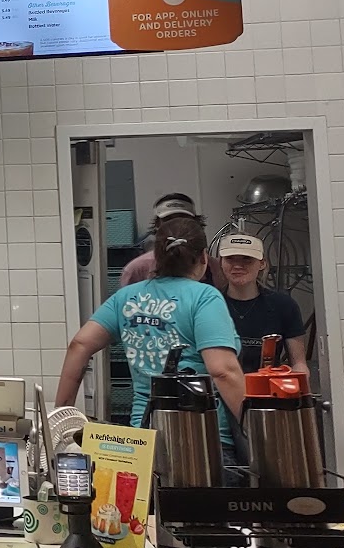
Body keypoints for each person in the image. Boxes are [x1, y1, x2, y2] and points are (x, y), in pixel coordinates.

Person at [58, 213, 247, 462]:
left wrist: (61, 418)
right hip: (203, 440)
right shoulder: (204, 297)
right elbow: (223, 371)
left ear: (157, 256)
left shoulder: (127, 297)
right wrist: (252, 429)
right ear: (203, 257)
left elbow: (79, 345)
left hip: (142, 440)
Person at [215, 233, 309, 373]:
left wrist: (300, 384)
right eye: (230, 259)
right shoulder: (210, 305)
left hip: (268, 384)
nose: (238, 266)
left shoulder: (284, 306)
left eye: (247, 259)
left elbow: (299, 364)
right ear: (221, 263)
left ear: (262, 263)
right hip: (222, 384)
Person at [116, 193, 200, 286]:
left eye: (183, 219)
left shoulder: (208, 266)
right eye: (168, 220)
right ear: (157, 224)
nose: (176, 225)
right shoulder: (137, 269)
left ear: (196, 223)